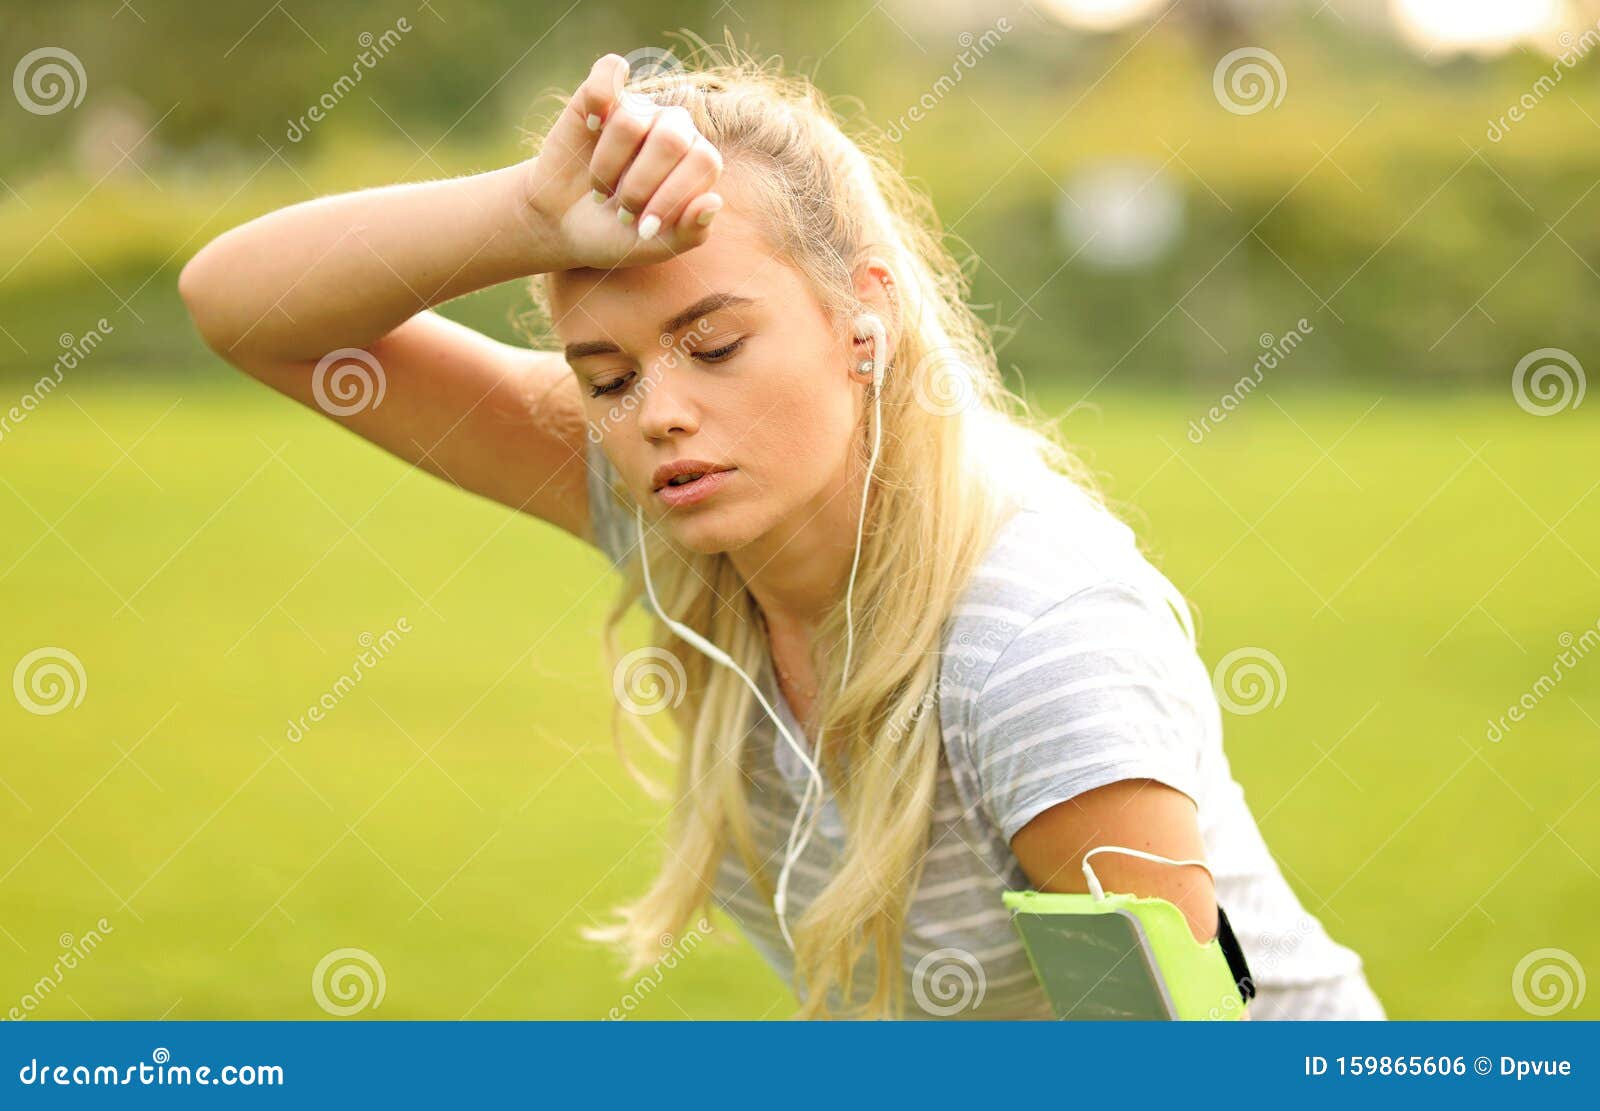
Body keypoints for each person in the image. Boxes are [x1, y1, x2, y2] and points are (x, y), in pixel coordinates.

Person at [178, 42, 1385, 1020]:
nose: (660, 414)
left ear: (864, 319)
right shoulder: (672, 492)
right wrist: (526, 213)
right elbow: (243, 310)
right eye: (604, 377)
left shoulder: (1036, 642)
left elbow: (1187, 1054)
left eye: (714, 346)